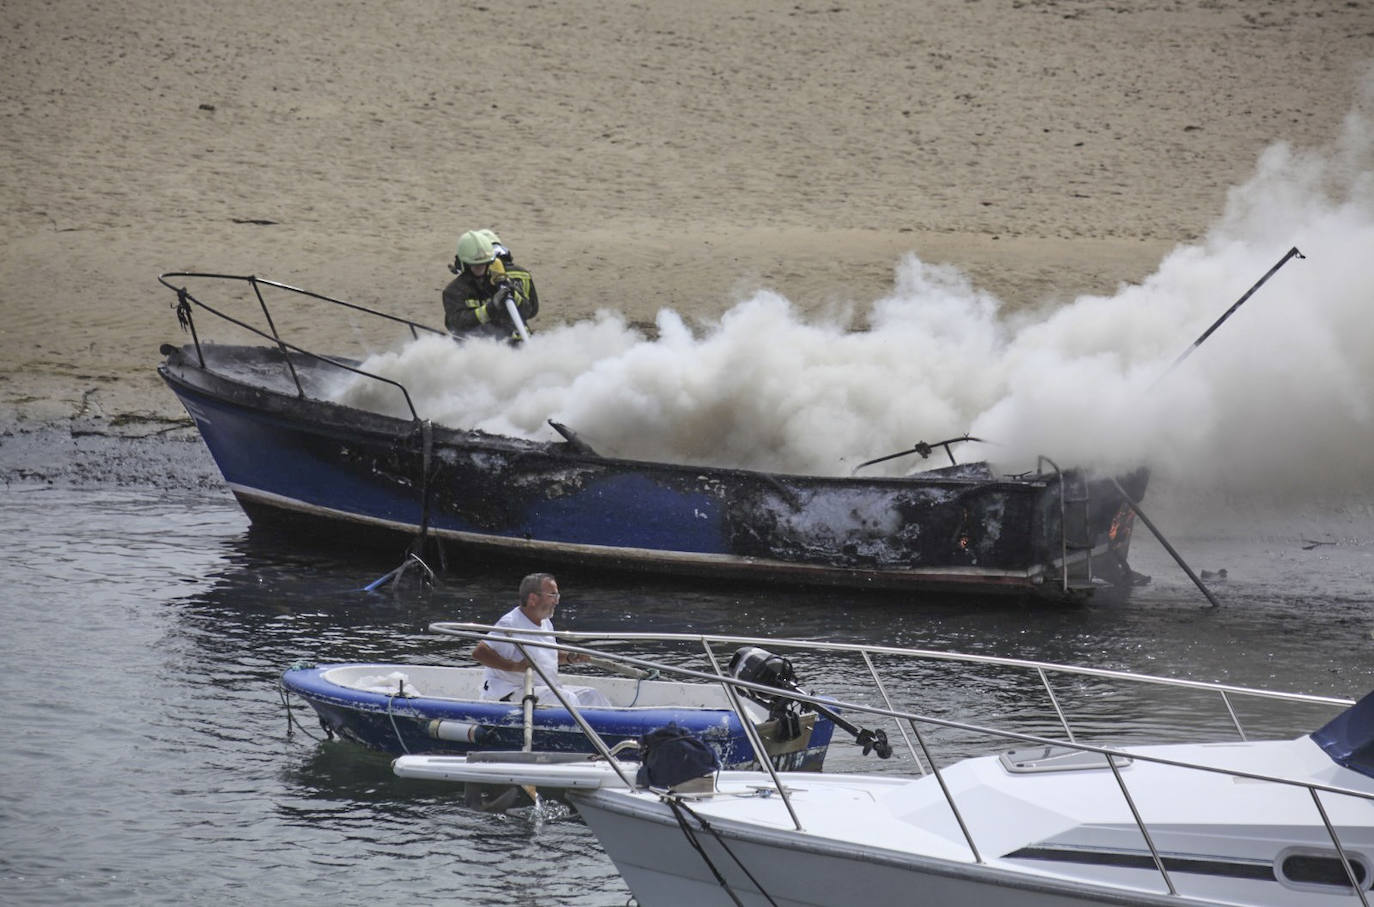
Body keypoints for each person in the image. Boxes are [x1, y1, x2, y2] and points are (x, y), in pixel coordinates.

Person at [471, 572, 611, 707]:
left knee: (592, 695)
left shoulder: (545, 622)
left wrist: (570, 657)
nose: (556, 601)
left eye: (557, 595)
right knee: (567, 698)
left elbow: (547, 655)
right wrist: (514, 667)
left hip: (543, 689)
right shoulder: (511, 623)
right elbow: (480, 652)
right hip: (513, 692)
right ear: (533, 599)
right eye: (552, 595)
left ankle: (610, 730)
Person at [442, 228, 539, 341]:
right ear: (464, 264)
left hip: (516, 343)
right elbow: (458, 323)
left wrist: (514, 295)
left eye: (483, 264)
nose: (480, 268)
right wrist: (490, 308)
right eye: (475, 264)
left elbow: (528, 312)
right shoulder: (454, 291)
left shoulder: (500, 282)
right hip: (479, 349)